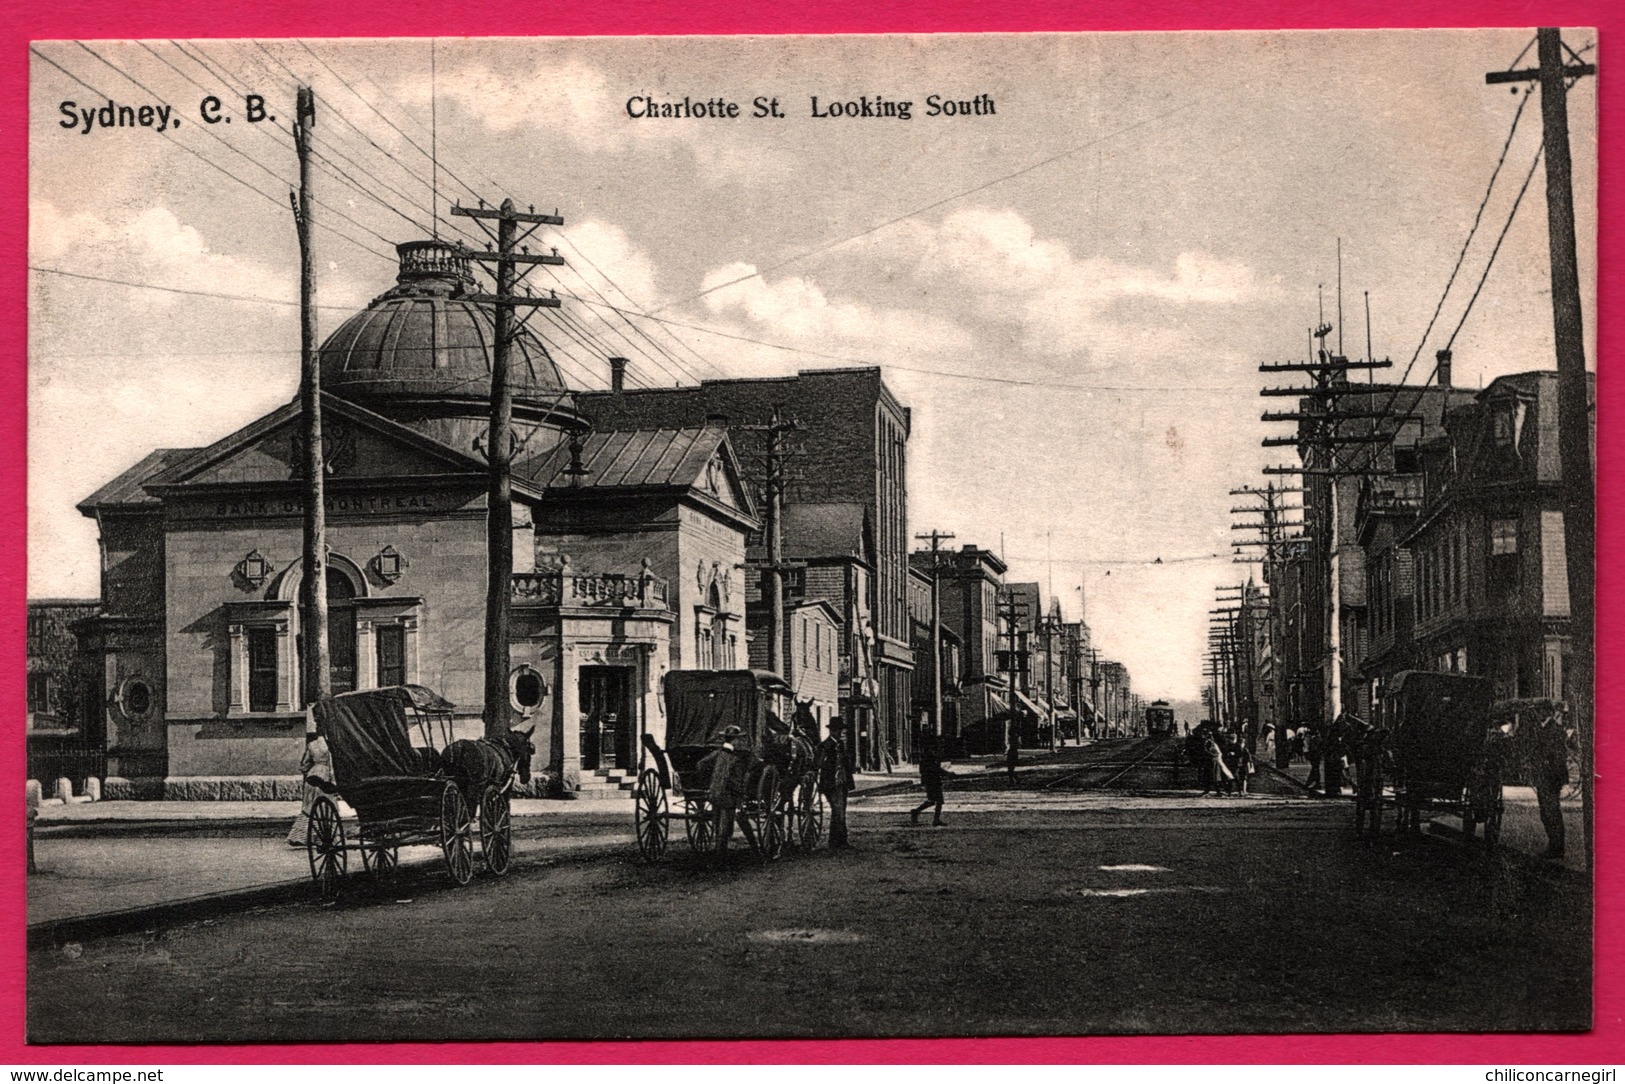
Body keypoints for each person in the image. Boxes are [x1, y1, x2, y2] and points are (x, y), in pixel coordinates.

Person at [696, 725, 756, 854]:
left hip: (714, 794)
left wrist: (710, 780)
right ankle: (723, 855)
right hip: (728, 796)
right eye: (738, 739)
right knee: (730, 822)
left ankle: (720, 852)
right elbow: (737, 780)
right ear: (734, 740)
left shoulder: (717, 753)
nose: (740, 742)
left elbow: (701, 764)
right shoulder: (736, 759)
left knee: (719, 822)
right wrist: (740, 795)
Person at [1529, 708, 1570, 860]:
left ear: (1545, 713)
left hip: (1551, 777)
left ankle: (1557, 848)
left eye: (1538, 711)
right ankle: (1555, 846)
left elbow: (1557, 757)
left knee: (1551, 813)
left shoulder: (1554, 730)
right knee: (1547, 813)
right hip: (1545, 777)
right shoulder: (1544, 728)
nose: (1536, 714)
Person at [287, 718, 335, 847]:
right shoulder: (330, 744)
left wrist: (308, 771)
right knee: (326, 806)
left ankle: (301, 836)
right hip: (326, 775)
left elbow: (304, 765)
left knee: (309, 806)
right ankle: (322, 836)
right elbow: (332, 764)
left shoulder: (312, 745)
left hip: (313, 776)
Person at [818, 718, 855, 848]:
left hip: (842, 782)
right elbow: (820, 764)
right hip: (831, 783)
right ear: (832, 731)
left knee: (841, 811)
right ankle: (836, 841)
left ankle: (841, 840)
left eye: (840, 730)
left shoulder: (841, 744)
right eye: (837, 730)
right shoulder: (825, 746)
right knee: (837, 811)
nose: (839, 733)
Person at [910, 723, 950, 826]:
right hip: (932, 780)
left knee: (933, 801)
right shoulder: (930, 756)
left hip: (931, 780)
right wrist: (947, 773)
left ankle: (917, 812)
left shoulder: (930, 755)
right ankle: (933, 819)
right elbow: (934, 768)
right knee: (938, 801)